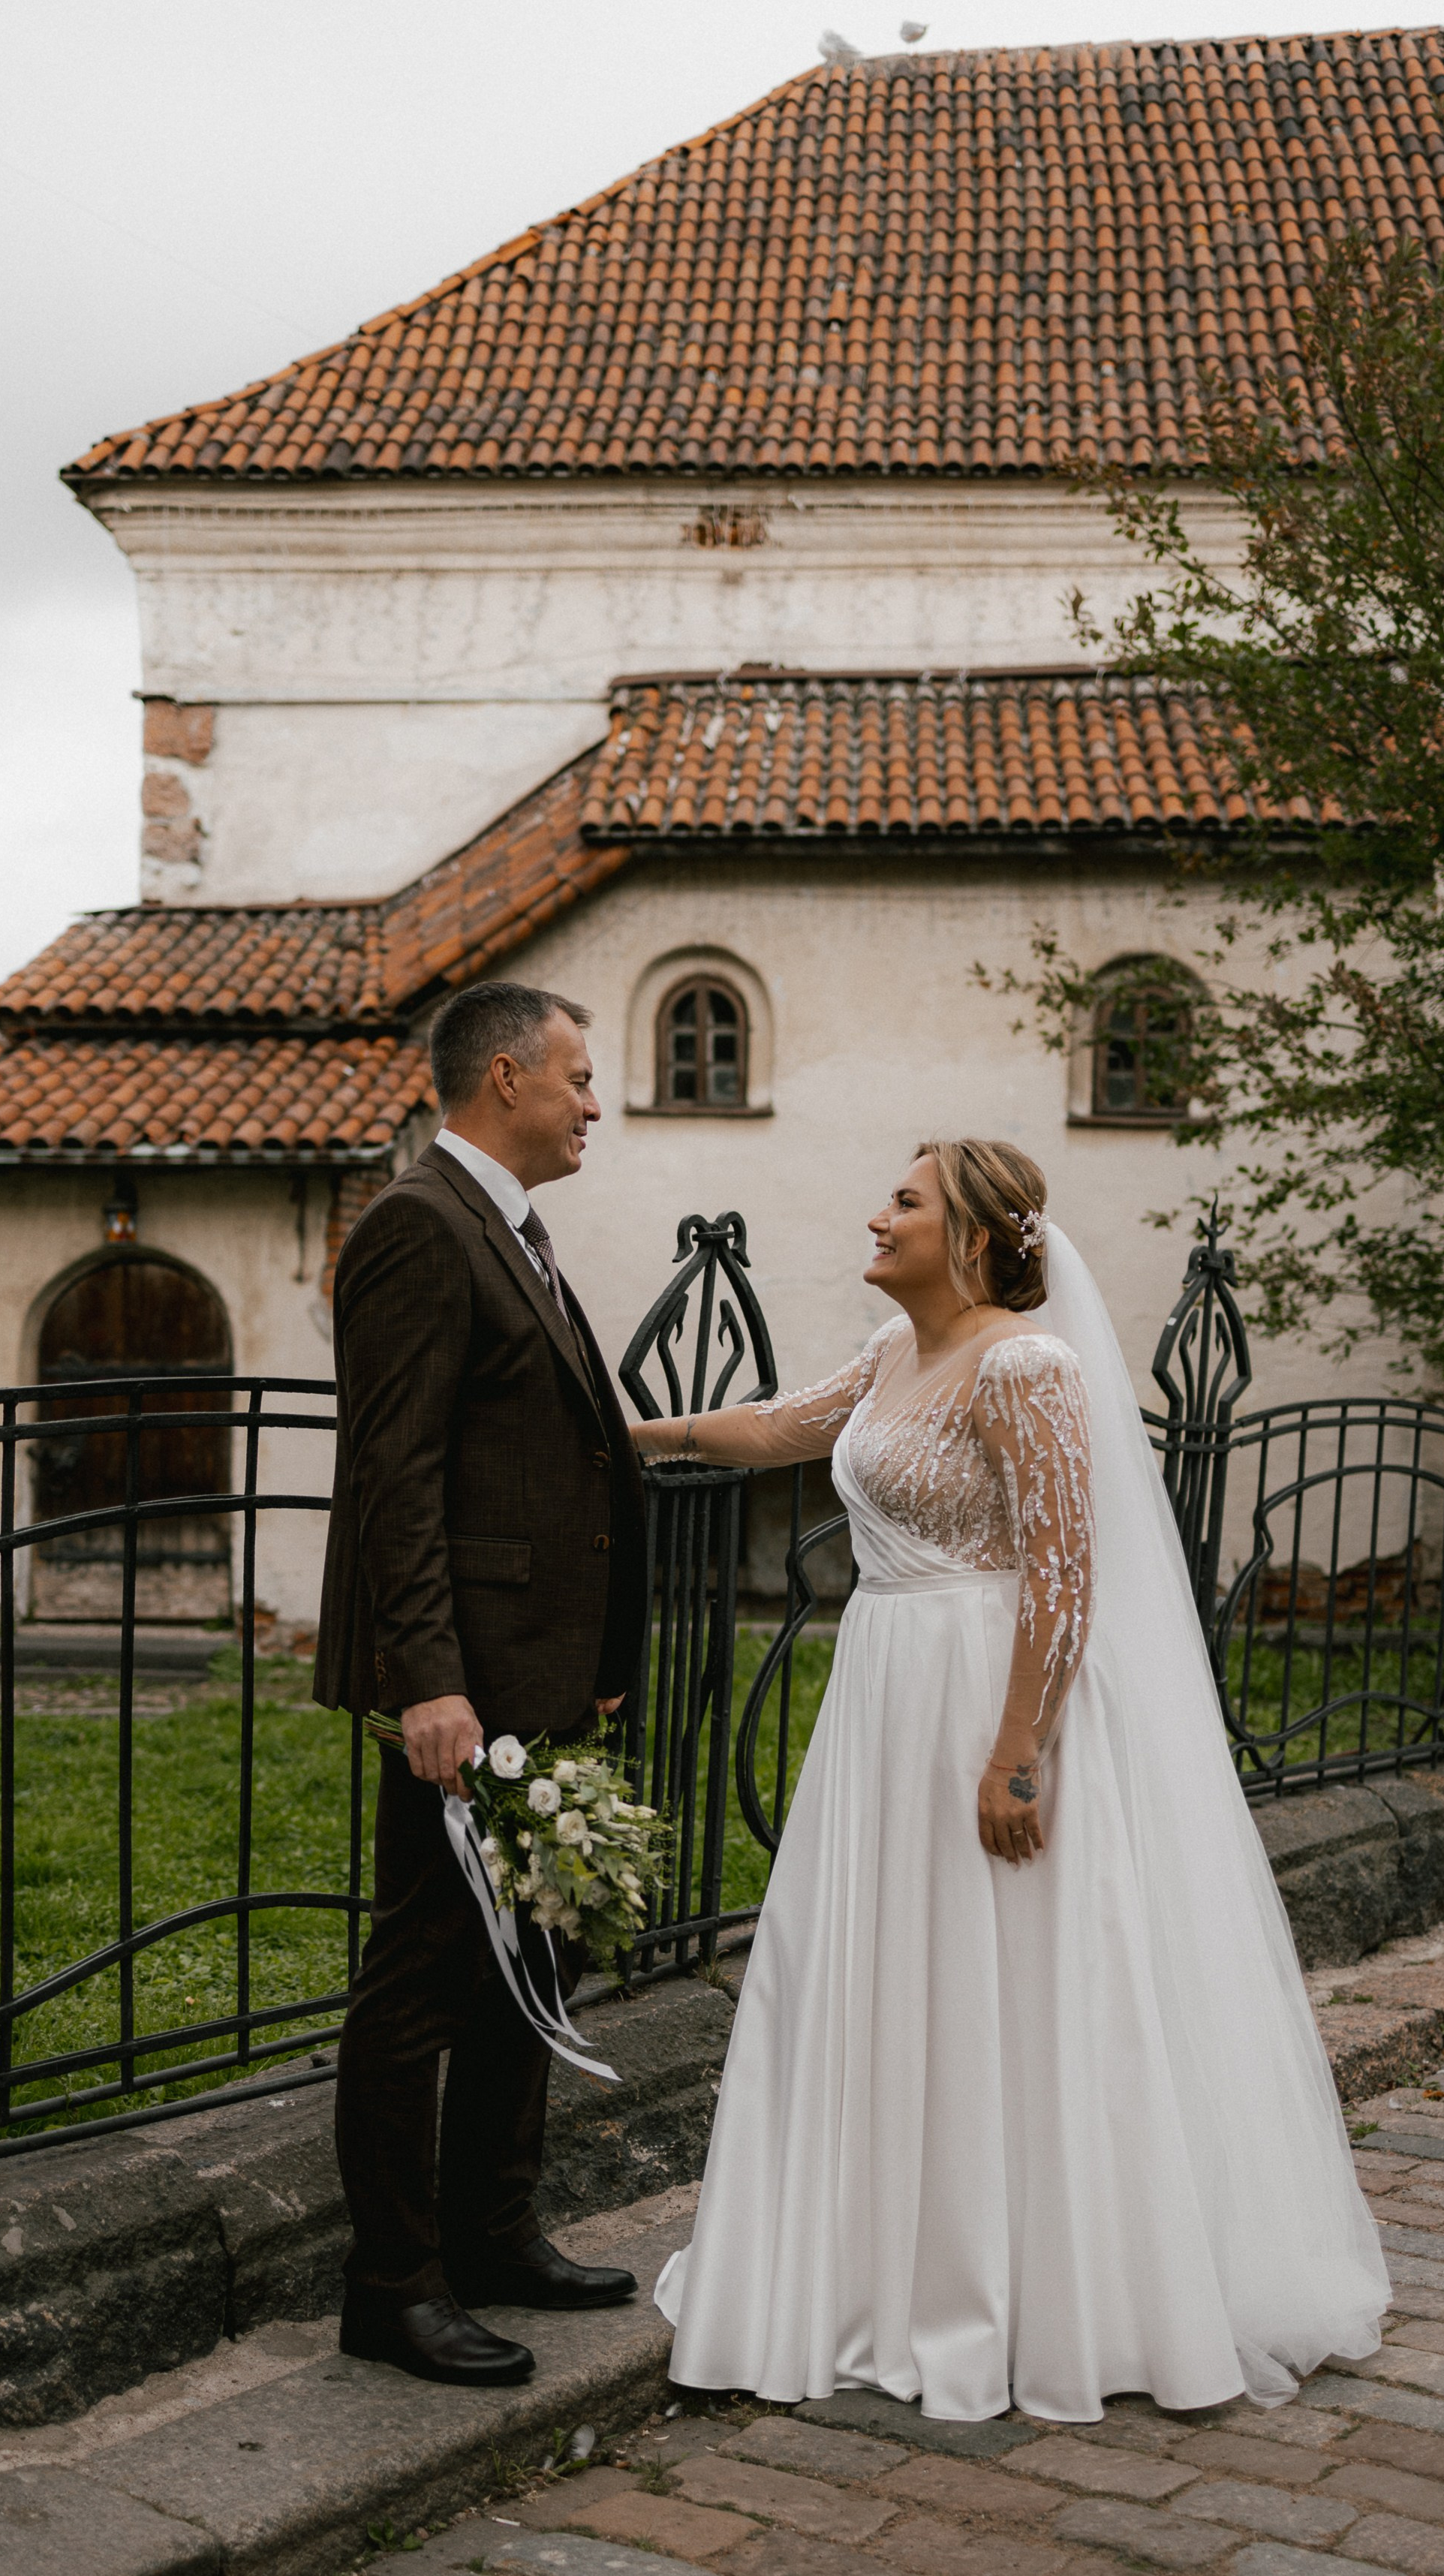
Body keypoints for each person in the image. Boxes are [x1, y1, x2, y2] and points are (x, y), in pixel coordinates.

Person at [637, 1139, 1387, 2423]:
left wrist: (1014, 1754)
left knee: (1007, 1977)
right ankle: (869, 2259)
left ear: (976, 1238)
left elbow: (1064, 1573)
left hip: (986, 1697)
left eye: (907, 1203)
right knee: (877, 1969)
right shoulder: (890, 1357)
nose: (878, 1215)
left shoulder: (1026, 1367)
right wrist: (621, 1430)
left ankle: (1031, 2284)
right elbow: (773, 1427)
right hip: (884, 1693)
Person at [314, 980, 647, 2387]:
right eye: (577, 1077)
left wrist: (601, 1665)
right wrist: (429, 1684)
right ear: (503, 1078)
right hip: (467, 1686)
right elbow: (398, 1478)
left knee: (536, 1965)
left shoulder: (515, 1228)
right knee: (426, 1980)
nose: (593, 1104)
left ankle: (497, 2233)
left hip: (547, 1675)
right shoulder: (415, 1226)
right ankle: (392, 2287)